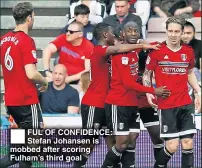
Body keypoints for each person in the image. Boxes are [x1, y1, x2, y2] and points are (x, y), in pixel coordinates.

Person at [73, 22, 164, 168]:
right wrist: (142, 45)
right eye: (112, 33)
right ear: (105, 35)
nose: (114, 35)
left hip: (109, 104)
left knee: (115, 144)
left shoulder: (117, 52)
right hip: (94, 104)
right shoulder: (99, 50)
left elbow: (129, 43)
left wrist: (144, 43)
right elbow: (120, 47)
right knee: (88, 143)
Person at [101, 22, 170, 167]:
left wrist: (143, 43)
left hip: (137, 102)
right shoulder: (119, 53)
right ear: (122, 34)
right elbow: (127, 83)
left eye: (135, 31)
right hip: (120, 102)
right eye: (129, 31)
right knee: (123, 142)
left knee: (139, 137)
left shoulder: (137, 51)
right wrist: (154, 90)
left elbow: (158, 46)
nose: (133, 34)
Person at [143, 16, 201, 168]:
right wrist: (149, 91)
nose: (173, 35)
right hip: (167, 104)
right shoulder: (157, 51)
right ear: (166, 31)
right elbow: (147, 74)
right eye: (170, 31)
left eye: (177, 31)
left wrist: (198, 91)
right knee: (172, 146)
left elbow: (189, 73)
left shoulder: (188, 51)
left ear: (182, 32)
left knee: (188, 143)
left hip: (185, 103)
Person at [0, 2, 48, 168]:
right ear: (29, 18)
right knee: (31, 149)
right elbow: (31, 73)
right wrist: (45, 81)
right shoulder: (27, 41)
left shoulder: (3, 39)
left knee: (18, 152)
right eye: (33, 17)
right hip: (27, 103)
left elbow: (3, 69)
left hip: (12, 103)